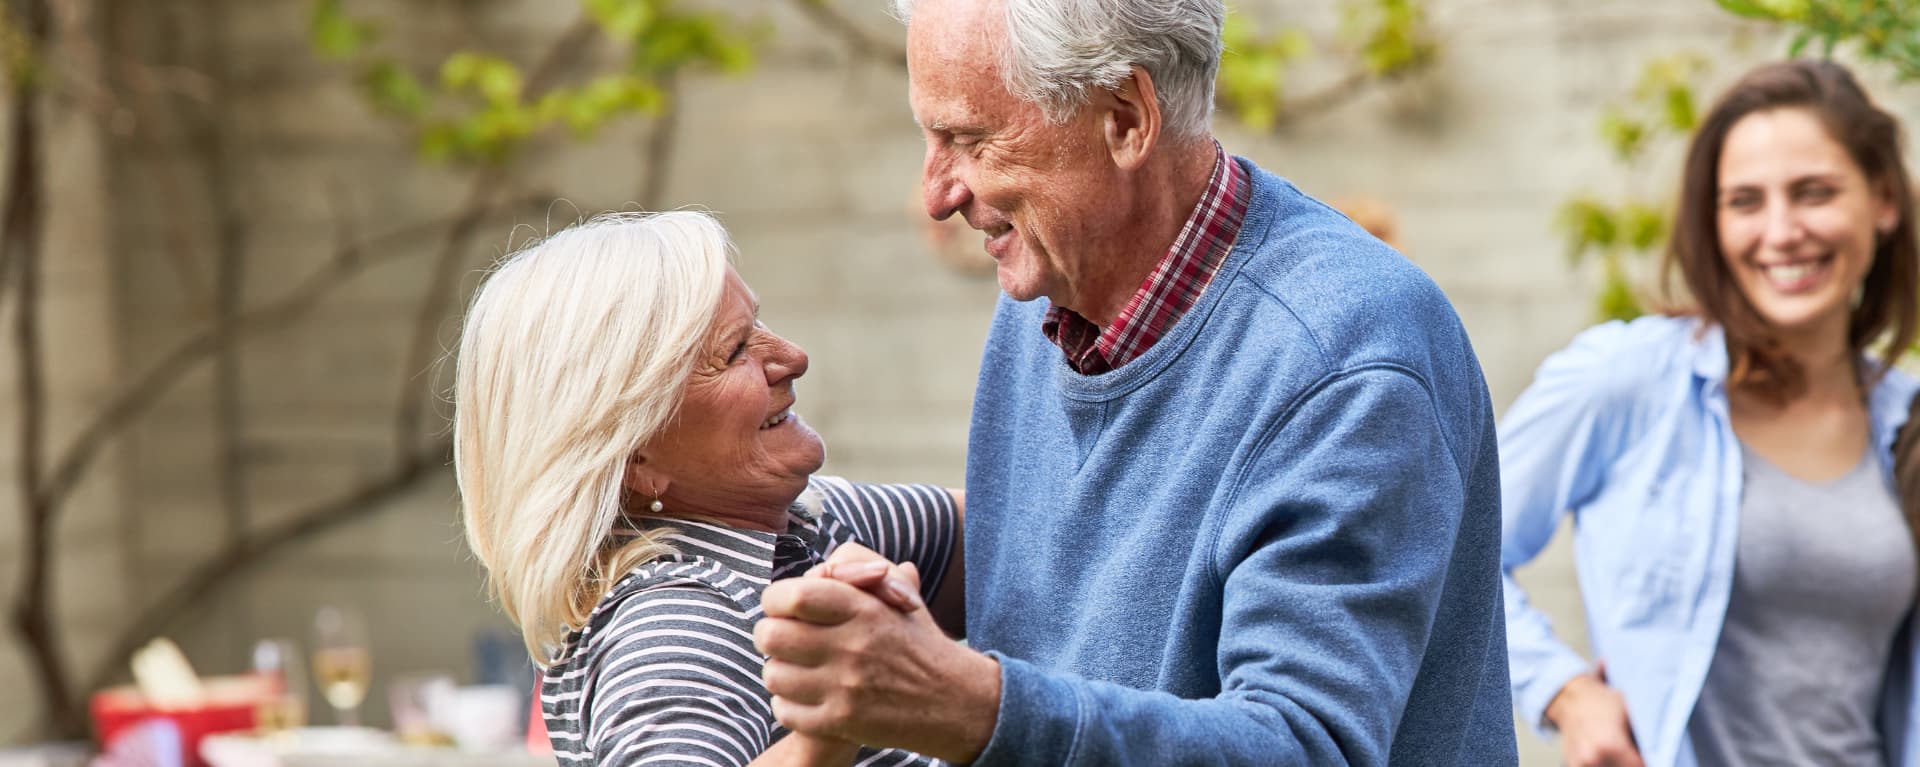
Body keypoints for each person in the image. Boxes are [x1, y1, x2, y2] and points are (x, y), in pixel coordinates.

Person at [749, 0, 1518, 764]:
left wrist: (974, 707)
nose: (937, 193)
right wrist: (755, 516)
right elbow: (1047, 557)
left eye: (969, 139)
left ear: (1124, 118)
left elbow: (1305, 747)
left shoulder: (1344, 356)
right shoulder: (1047, 297)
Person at [1499, 59, 1920, 767]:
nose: (1782, 231)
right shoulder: (1631, 379)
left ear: (1883, 199)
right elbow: (1449, 545)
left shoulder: (1905, 423)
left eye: (1813, 192)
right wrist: (1565, 692)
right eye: (1745, 201)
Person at [452, 211, 964, 766]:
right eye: (737, 350)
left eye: (759, 323)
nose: (793, 358)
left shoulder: (805, 525)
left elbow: (1021, 532)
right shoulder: (674, 624)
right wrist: (831, 727)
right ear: (635, 455)